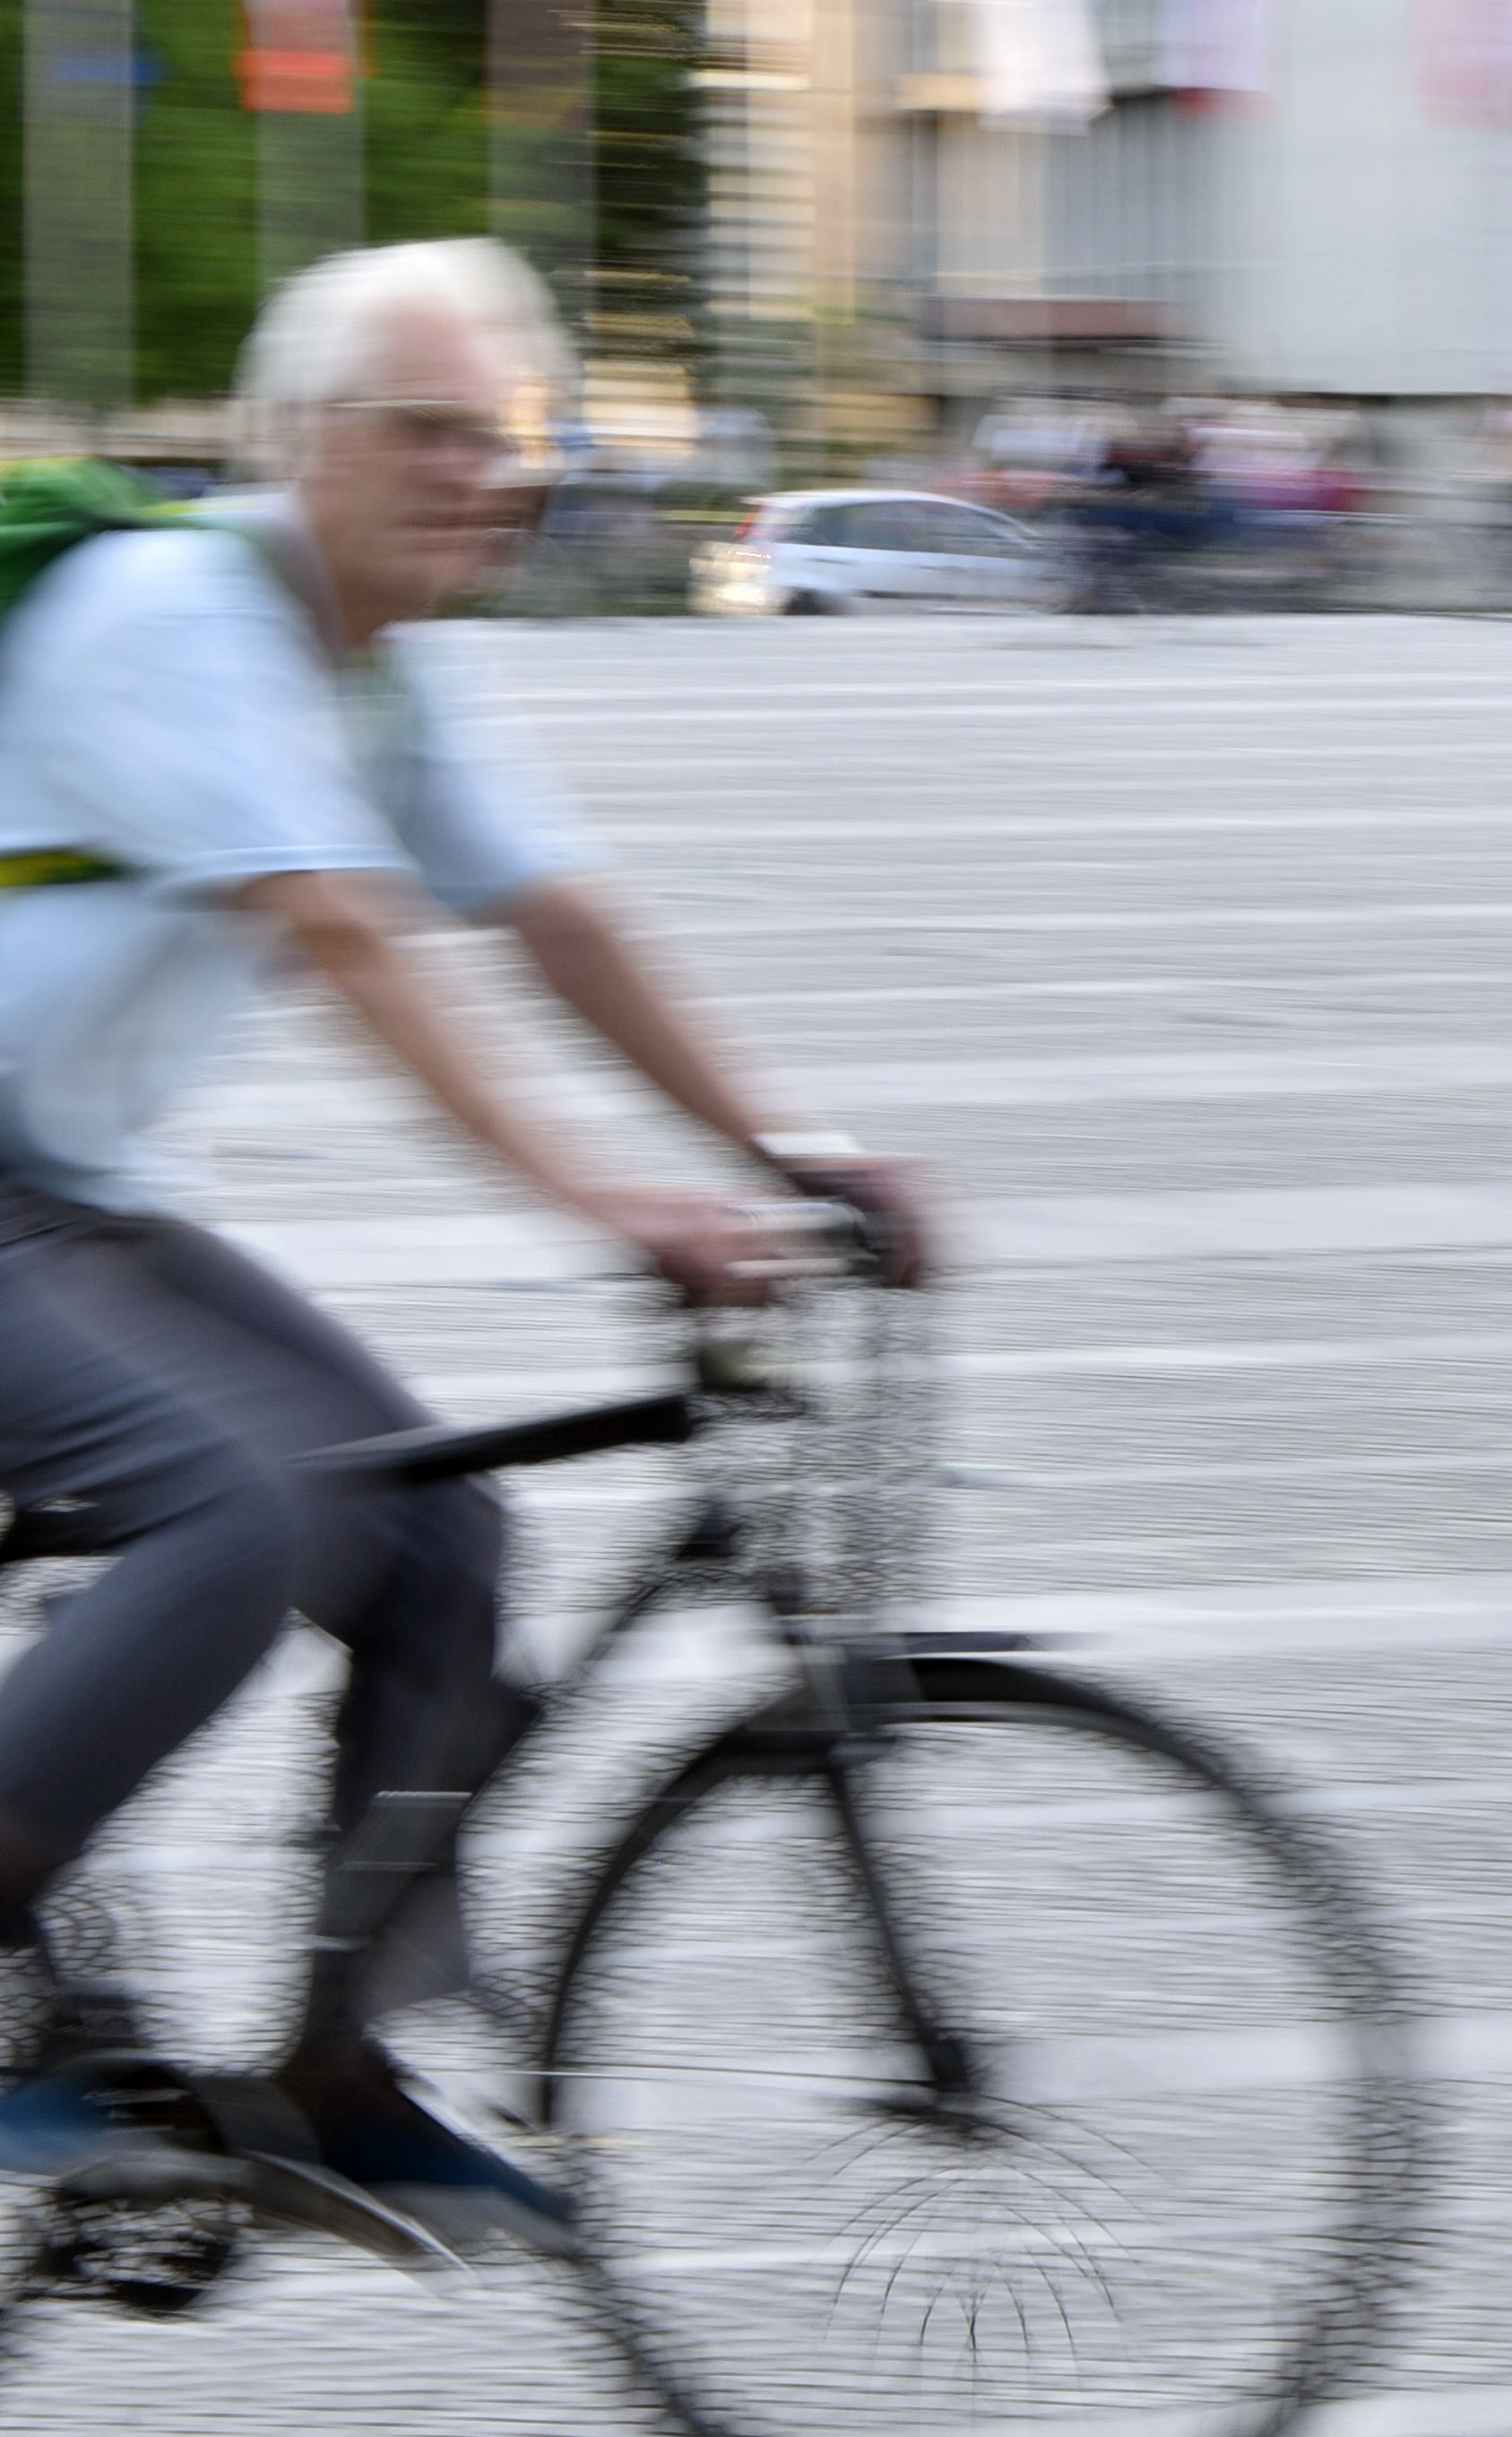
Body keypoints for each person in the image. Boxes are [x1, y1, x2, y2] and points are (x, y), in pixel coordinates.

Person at [0, 241, 934, 2259]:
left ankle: (333, 2072)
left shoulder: (392, 662)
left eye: (501, 436)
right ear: (299, 442)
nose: (477, 472)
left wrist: (788, 1151)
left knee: (442, 1535)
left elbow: (558, 913)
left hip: (64, 1182)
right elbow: (340, 929)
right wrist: (606, 1200)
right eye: (424, 430)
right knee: (232, 1511)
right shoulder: (173, 612)